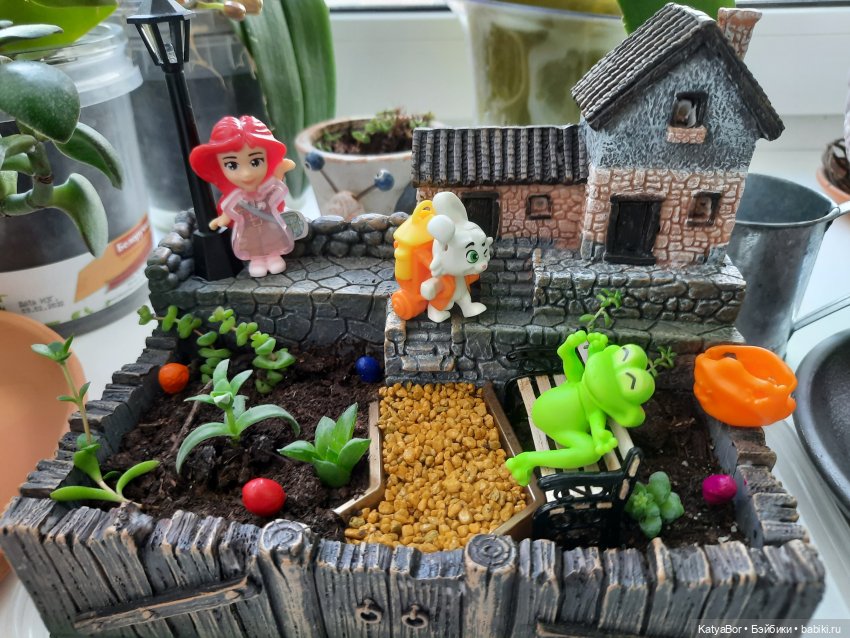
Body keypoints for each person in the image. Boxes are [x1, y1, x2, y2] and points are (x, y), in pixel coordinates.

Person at [190, 115, 303, 277]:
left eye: (255, 162)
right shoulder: (237, 199)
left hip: (270, 228)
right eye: (232, 165)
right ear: (219, 166)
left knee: (272, 243)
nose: (246, 174)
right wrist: (221, 220)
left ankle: (273, 257)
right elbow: (228, 212)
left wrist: (279, 170)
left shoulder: (267, 190)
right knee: (253, 248)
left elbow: (276, 188)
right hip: (248, 232)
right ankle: (257, 261)